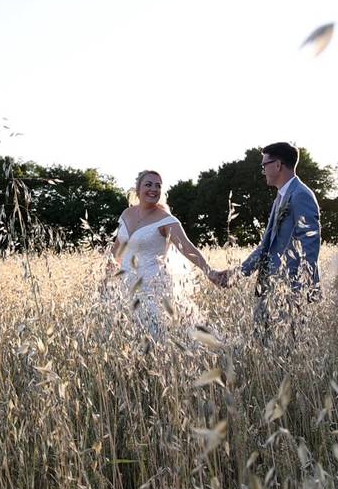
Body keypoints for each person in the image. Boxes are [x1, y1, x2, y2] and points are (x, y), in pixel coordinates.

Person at [214, 142, 321, 341]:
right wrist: (236, 274)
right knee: (262, 344)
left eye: (264, 165)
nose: (263, 170)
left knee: (289, 351)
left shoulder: (301, 196)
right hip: (269, 288)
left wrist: (300, 293)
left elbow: (310, 249)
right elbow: (265, 247)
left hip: (290, 291)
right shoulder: (280, 197)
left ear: (278, 165)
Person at [108, 169, 220, 339]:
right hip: (125, 285)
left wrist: (209, 271)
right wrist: (106, 275)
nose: (154, 189)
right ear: (137, 189)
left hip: (152, 286)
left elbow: (187, 248)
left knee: (154, 336)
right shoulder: (126, 214)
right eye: (148, 184)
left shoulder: (166, 220)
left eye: (158, 186)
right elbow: (117, 250)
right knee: (125, 336)